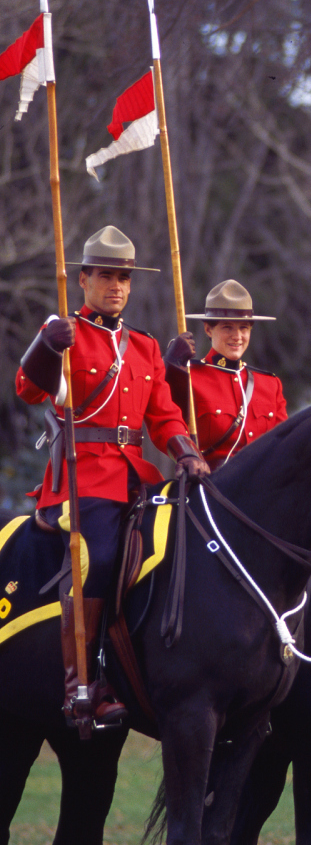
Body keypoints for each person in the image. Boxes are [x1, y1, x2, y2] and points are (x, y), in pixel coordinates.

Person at [16, 225, 209, 726]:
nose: (116, 286)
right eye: (106, 276)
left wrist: (186, 452)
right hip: (81, 480)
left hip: (137, 480)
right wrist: (45, 345)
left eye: (123, 278)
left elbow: (163, 415)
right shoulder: (66, 335)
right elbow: (28, 391)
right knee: (98, 555)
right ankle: (82, 683)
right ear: (83, 280)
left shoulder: (143, 347)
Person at [163, 280, 287, 470]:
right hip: (209, 487)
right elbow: (162, 416)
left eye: (244, 328)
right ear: (208, 329)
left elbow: (283, 444)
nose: (237, 336)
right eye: (227, 327)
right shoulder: (189, 377)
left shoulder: (270, 384)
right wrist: (170, 365)